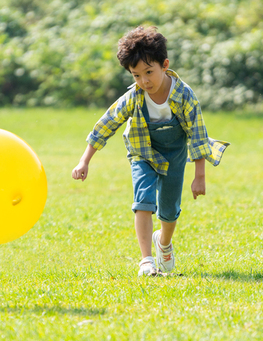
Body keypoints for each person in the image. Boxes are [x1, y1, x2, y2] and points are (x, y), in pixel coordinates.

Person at [71, 26, 228, 277]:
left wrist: (199, 176)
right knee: (143, 201)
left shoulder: (185, 96)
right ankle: (146, 261)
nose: (144, 81)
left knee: (169, 210)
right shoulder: (135, 97)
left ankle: (163, 243)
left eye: (148, 72)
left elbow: (197, 135)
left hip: (174, 155)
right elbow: (107, 123)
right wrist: (84, 160)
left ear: (164, 65)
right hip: (142, 152)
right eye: (136, 75)